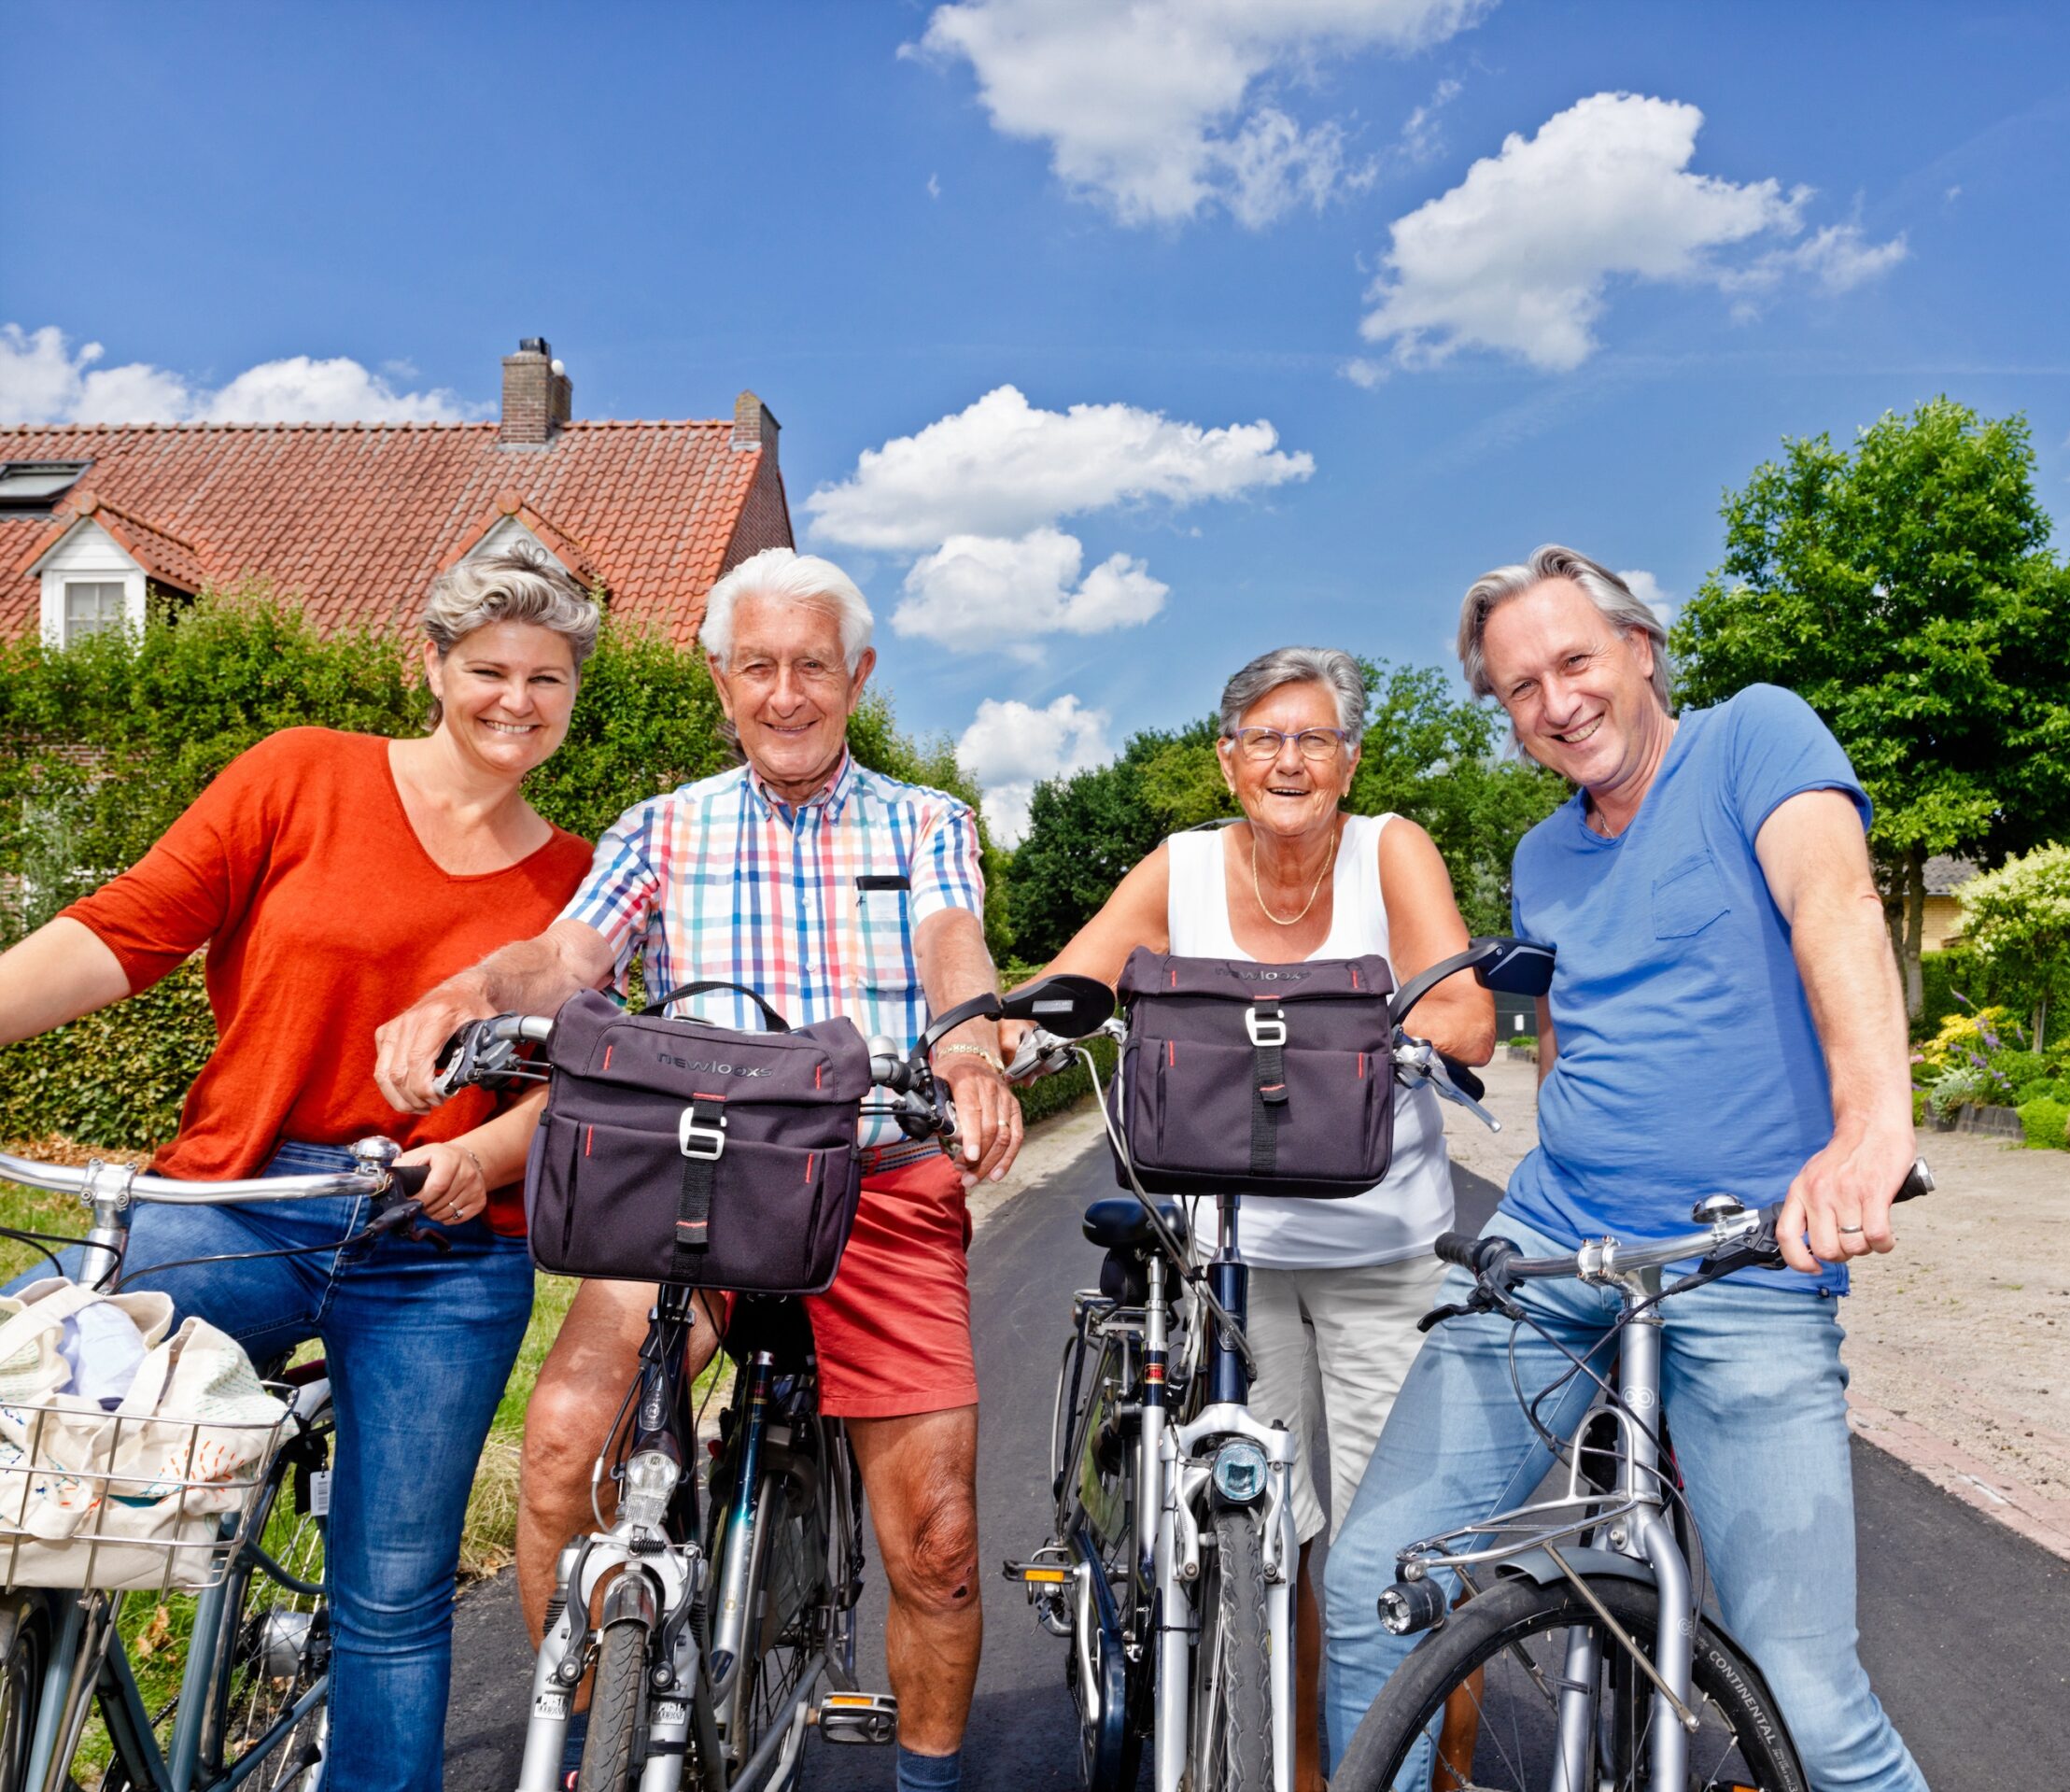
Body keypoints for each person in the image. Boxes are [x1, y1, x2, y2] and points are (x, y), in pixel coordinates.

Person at [372, 546, 1021, 1792]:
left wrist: (971, 1042)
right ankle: (595, 1735)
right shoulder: (663, 827)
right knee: (564, 1442)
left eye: (813, 666)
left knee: (936, 1538)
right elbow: (569, 955)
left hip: (875, 1180)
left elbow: (951, 936)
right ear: (722, 679)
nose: (786, 692)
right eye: (759, 665)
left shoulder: (926, 821)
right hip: (697, 1182)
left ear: (858, 677)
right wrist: (472, 988)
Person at [1322, 545, 1928, 1791]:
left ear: (1640, 648)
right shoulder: (1545, 858)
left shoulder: (1755, 737)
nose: (1555, 702)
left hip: (1744, 1258)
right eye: (1519, 688)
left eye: (1575, 661)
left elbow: (1835, 900)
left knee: (1805, 1695)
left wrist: (1869, 1122)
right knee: (1369, 1579)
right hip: (1557, 1243)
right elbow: (1581, 1035)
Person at [0, 547, 602, 1792]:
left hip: (441, 1253)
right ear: (429, 665)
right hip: (243, 1202)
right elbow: (127, 929)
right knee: (26, 1414)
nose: (515, 698)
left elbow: (573, 1085)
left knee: (392, 1595)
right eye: (487, 667)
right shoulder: (302, 775)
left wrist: (476, 1152)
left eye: (547, 677)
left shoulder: (581, 878)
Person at [1021, 645, 1493, 1791]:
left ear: (1350, 758)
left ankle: (1434, 1773)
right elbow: (1070, 986)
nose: (1291, 759)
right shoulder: (1177, 869)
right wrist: (999, 1043)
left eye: (1315, 737)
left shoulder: (1391, 850)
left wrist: (1428, 1023)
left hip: (1388, 1252)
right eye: (1265, 738)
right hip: (1232, 1259)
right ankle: (1295, 1766)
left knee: (1414, 1547)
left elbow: (1464, 1009)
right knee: (1263, 1538)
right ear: (1228, 760)